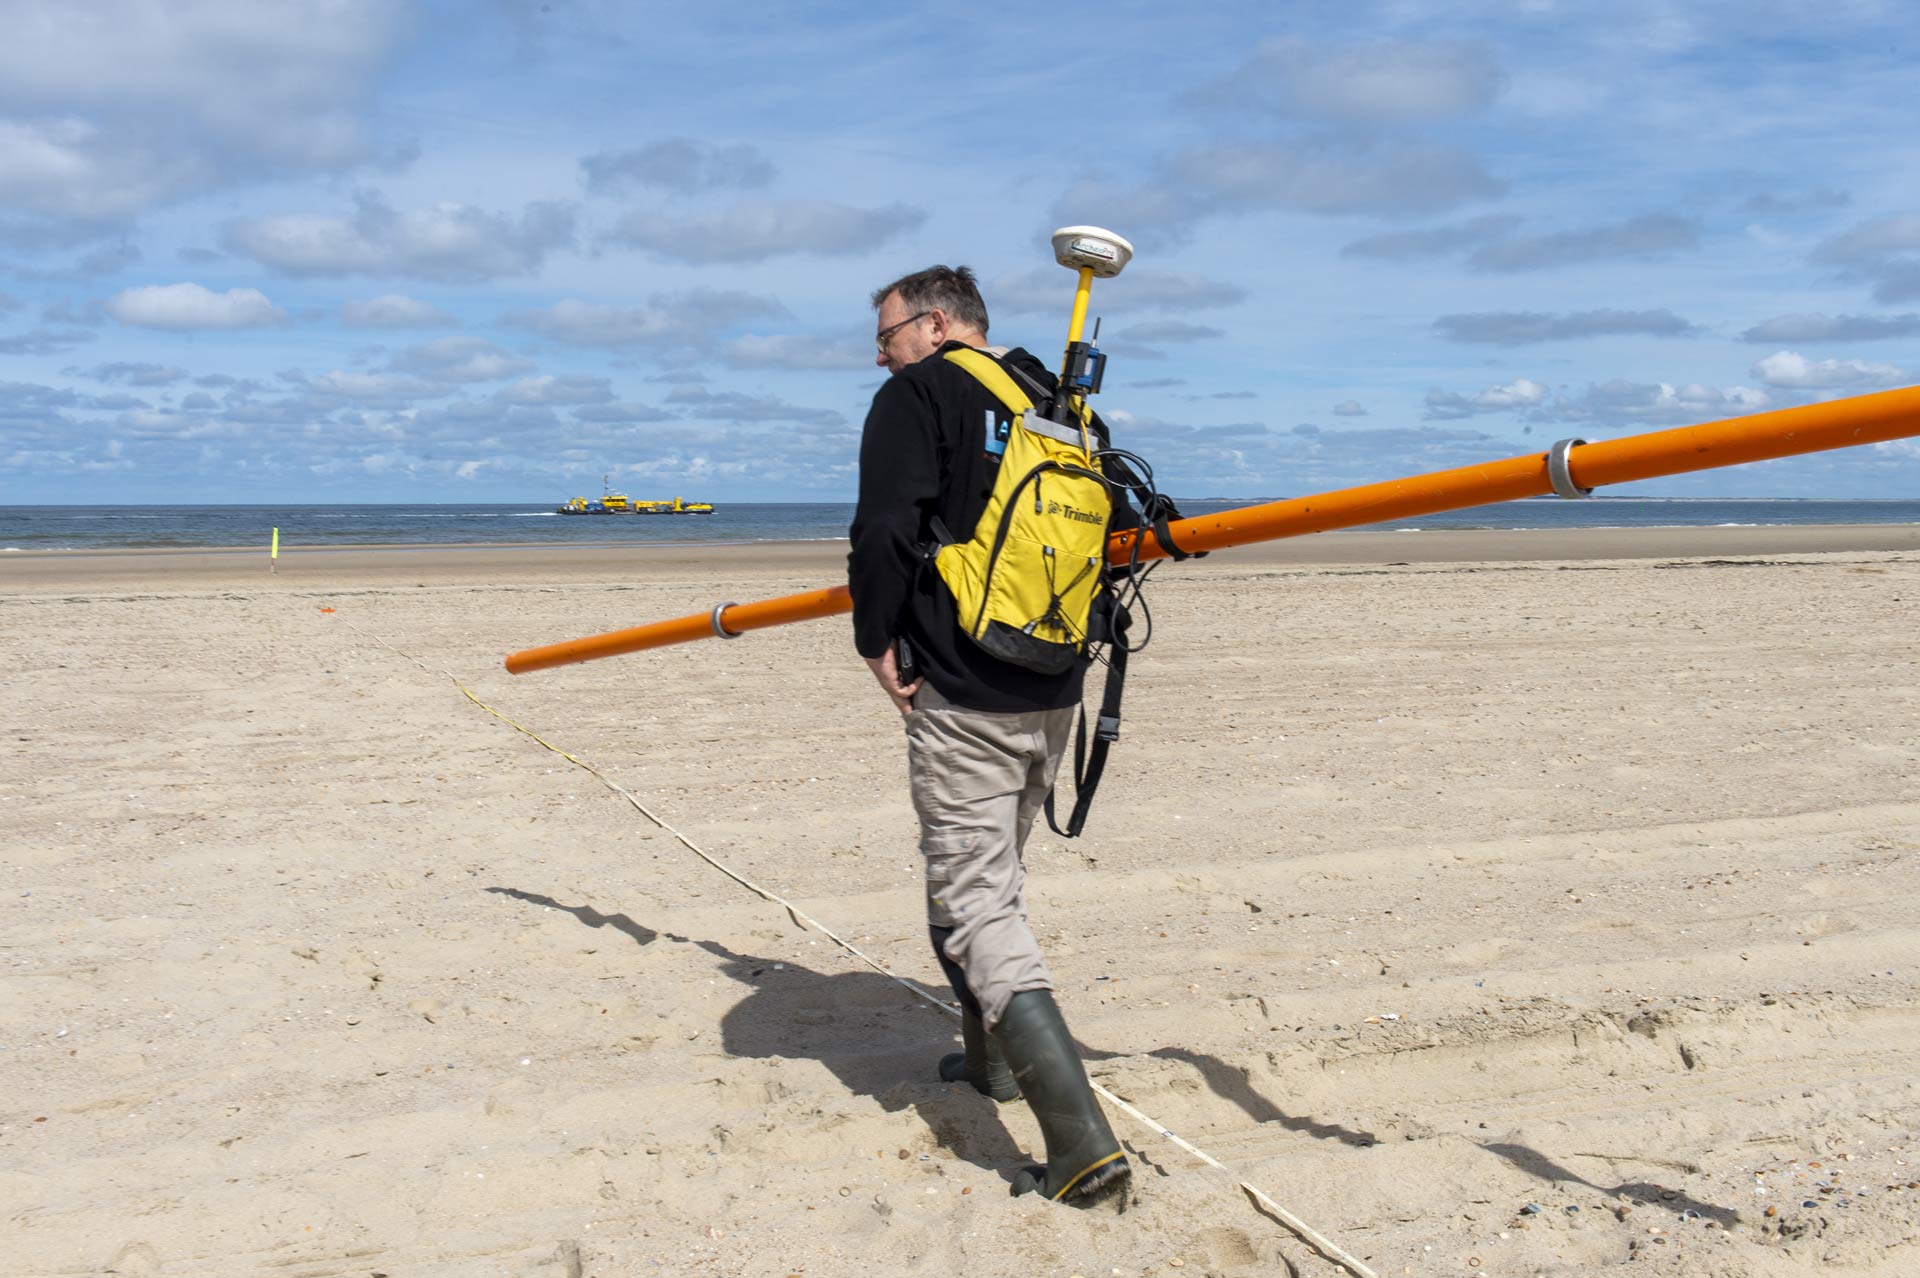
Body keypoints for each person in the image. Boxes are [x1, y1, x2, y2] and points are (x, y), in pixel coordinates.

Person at [847, 264, 1132, 1207]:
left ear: (932, 326)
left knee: (977, 907)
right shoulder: (1055, 398)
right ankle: (994, 1067)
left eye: (884, 334)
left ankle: (1082, 1148)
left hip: (963, 690)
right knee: (986, 885)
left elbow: (885, 530)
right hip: (1053, 683)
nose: (877, 353)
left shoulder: (917, 395)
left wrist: (874, 641)